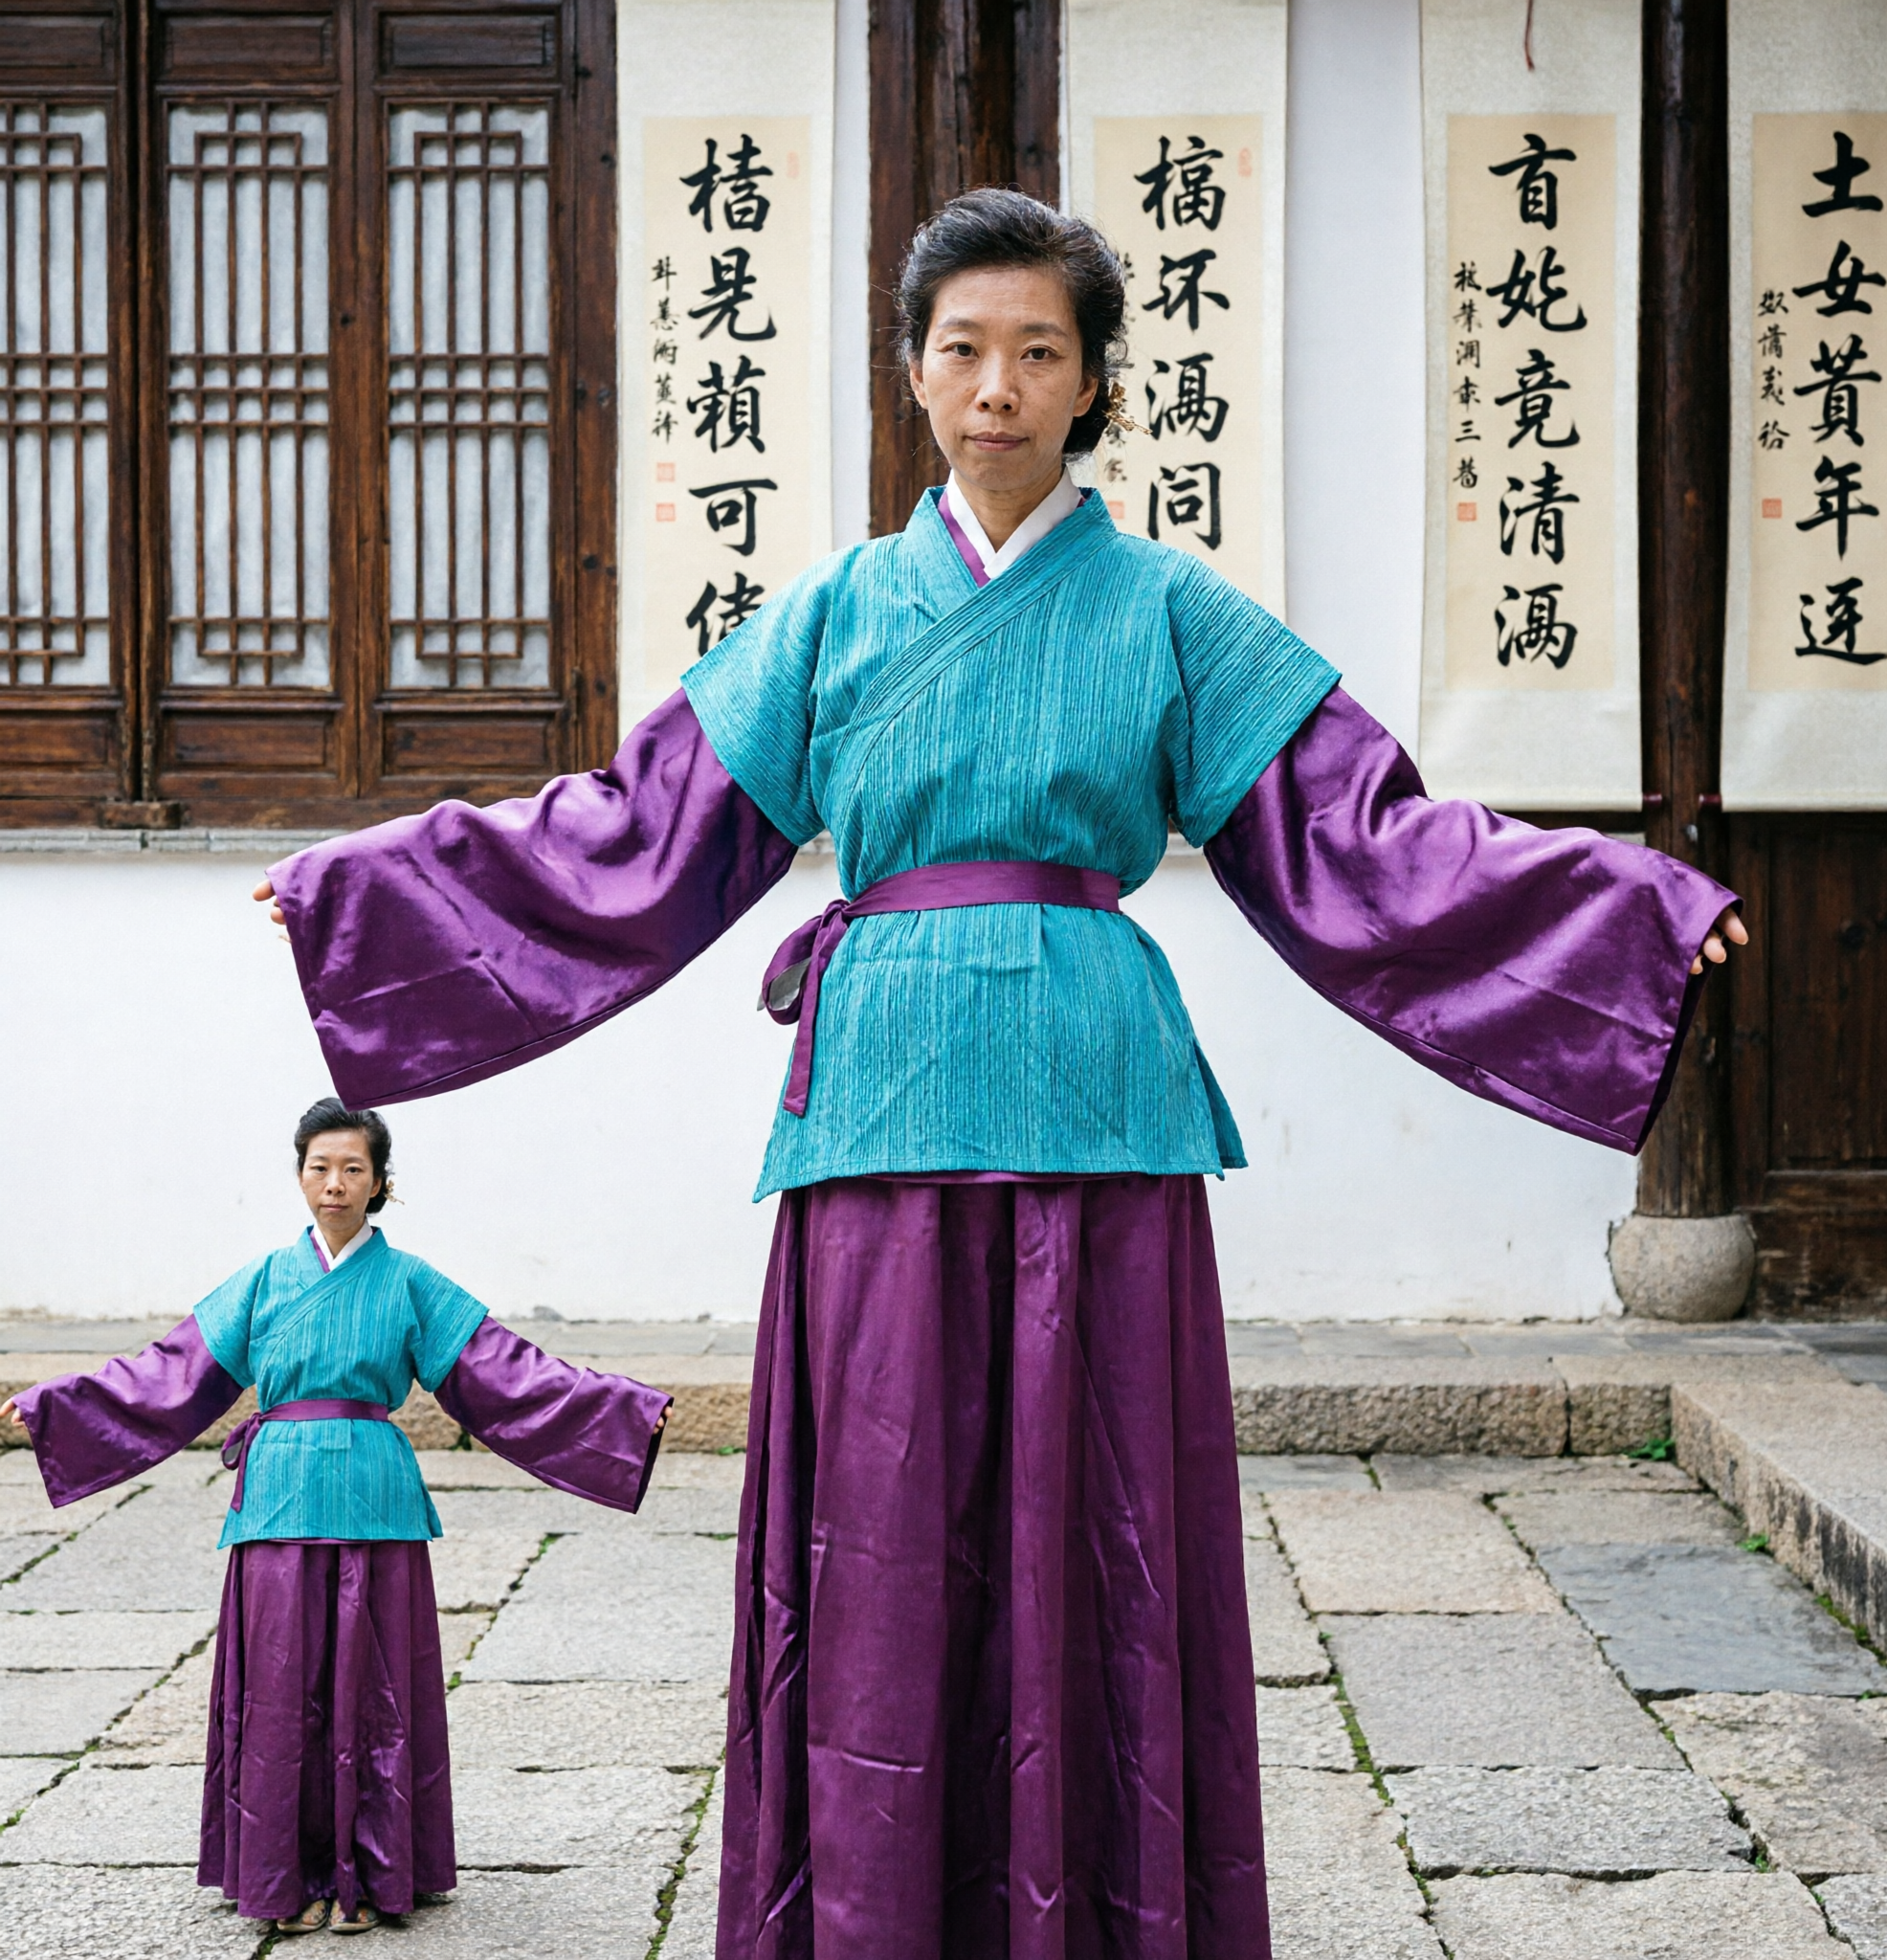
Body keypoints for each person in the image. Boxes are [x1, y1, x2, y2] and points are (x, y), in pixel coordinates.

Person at [251, 189, 1744, 1956]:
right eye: (962, 348)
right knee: (878, 1537)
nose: (996, 386)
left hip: (1091, 1100)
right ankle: (874, 1905)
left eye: (1040, 350)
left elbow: (1365, 840)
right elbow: (634, 831)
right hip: (878, 1101)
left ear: (1095, 385)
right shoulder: (832, 614)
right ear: (910, 372)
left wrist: (1619, 916)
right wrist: (373, 890)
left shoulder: (1173, 615)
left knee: (1096, 1524)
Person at [4, 1098, 671, 1936]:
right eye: (319, 1166)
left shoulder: (411, 1282)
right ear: (298, 1177)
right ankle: (286, 1878)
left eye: (354, 1168)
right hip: (280, 1497)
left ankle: (375, 1875)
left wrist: (623, 1412)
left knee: (375, 1686)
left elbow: (507, 1373)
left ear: (381, 1183)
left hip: (373, 1492)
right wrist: (57, 1410)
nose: (335, 1183)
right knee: (282, 1693)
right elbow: (168, 1373)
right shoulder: (260, 1280)